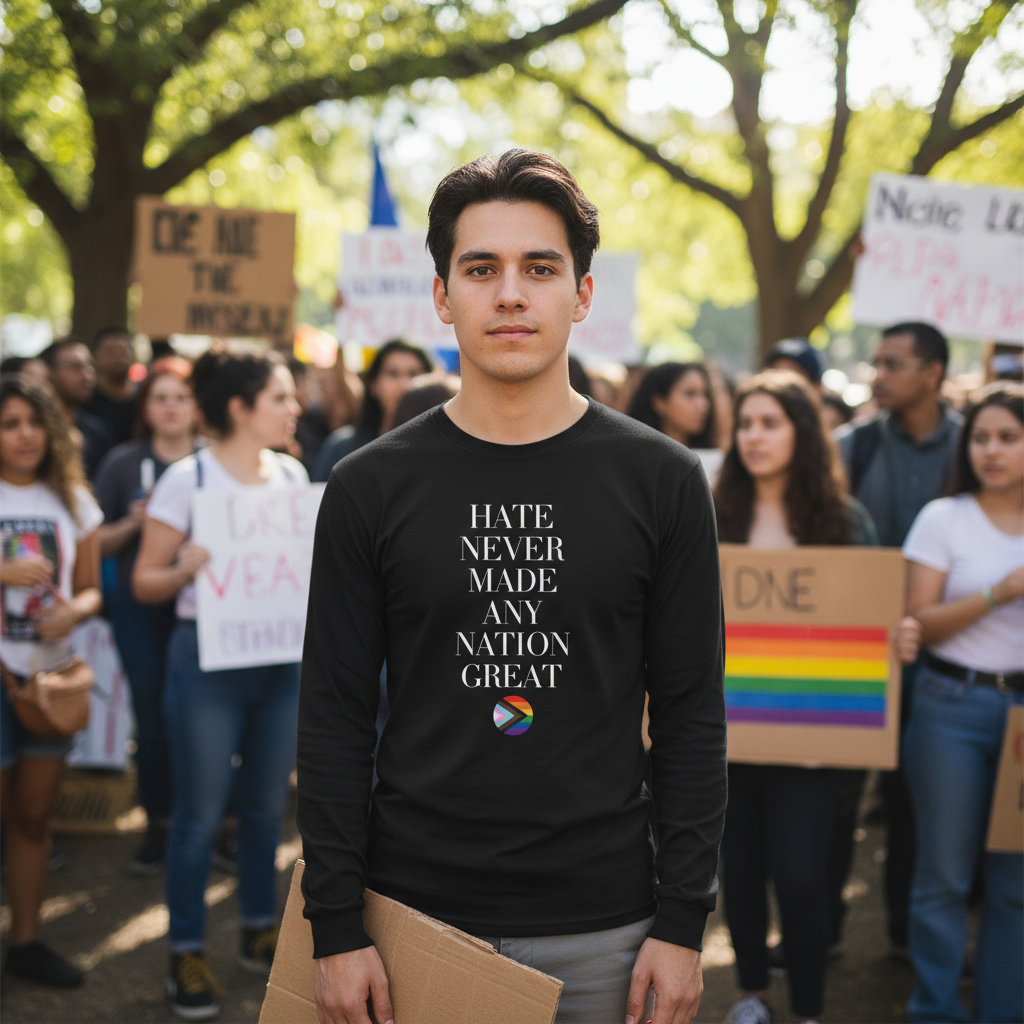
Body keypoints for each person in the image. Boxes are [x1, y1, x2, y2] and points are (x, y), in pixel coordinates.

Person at [299, 148, 726, 1024]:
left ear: (582, 295)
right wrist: (335, 926)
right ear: (441, 296)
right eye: (480, 268)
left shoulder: (665, 479)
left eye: (540, 267)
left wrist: (684, 920)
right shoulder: (367, 486)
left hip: (609, 925)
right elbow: (335, 715)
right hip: (410, 916)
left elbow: (691, 710)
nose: (510, 294)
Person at [133, 348, 308, 1020]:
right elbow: (147, 578)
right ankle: (186, 949)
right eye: (281, 398)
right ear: (241, 408)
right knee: (200, 817)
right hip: (207, 662)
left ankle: (259, 927)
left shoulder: (292, 475)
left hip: (281, 662)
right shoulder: (188, 479)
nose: (295, 408)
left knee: (266, 809)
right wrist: (184, 568)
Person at [712, 370, 878, 1024]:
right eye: (746, 424)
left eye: (770, 423)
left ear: (802, 434)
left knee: (804, 877)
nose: (754, 437)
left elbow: (867, 617)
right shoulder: (713, 511)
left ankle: (807, 1010)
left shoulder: (844, 520)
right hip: (726, 732)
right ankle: (753, 996)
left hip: (812, 737)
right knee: (741, 873)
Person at [834, 321, 962, 958]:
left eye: (893, 363)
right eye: (876, 361)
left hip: (941, 657)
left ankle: (905, 938)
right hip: (852, 654)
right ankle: (820, 931)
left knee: (917, 804)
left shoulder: (976, 449)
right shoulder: (849, 447)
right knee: (835, 796)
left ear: (932, 373)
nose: (876, 373)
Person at [901, 381, 1024, 1024]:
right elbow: (918, 624)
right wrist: (999, 593)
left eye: (1008, 437)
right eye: (980, 437)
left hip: (1023, 716)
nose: (992, 450)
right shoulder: (943, 518)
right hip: (951, 704)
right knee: (944, 877)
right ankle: (936, 1010)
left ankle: (1004, 1010)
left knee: (1016, 887)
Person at [0, 374, 103, 987]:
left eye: (35, 422)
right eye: (10, 423)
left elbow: (92, 587)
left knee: (35, 818)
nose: (25, 434)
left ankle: (27, 943)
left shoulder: (73, 499)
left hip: (53, 680)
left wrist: (78, 609)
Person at [93, 356, 198, 874]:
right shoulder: (121, 463)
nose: (171, 407)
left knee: (200, 721)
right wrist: (137, 522)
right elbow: (93, 543)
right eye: (160, 398)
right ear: (145, 408)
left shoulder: (214, 460)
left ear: (197, 406)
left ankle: (211, 824)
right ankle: (160, 823)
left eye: (181, 396)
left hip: (201, 614)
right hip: (139, 609)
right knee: (153, 720)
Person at [311, 339, 432, 481]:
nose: (404, 385)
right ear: (373, 384)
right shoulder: (343, 449)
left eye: (413, 374)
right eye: (393, 374)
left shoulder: (444, 448)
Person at [38, 338, 114, 479]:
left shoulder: (97, 431)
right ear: (49, 373)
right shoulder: (35, 431)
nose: (87, 375)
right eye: (76, 367)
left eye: (90, 366)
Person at [627, 362, 718, 449]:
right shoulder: (633, 456)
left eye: (705, 395)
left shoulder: (712, 459)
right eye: (690, 394)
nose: (702, 404)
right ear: (659, 402)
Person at [83, 327, 139, 446]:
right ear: (96, 357)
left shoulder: (145, 400)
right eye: (111, 352)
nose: (118, 357)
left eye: (123, 351)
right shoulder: (85, 401)